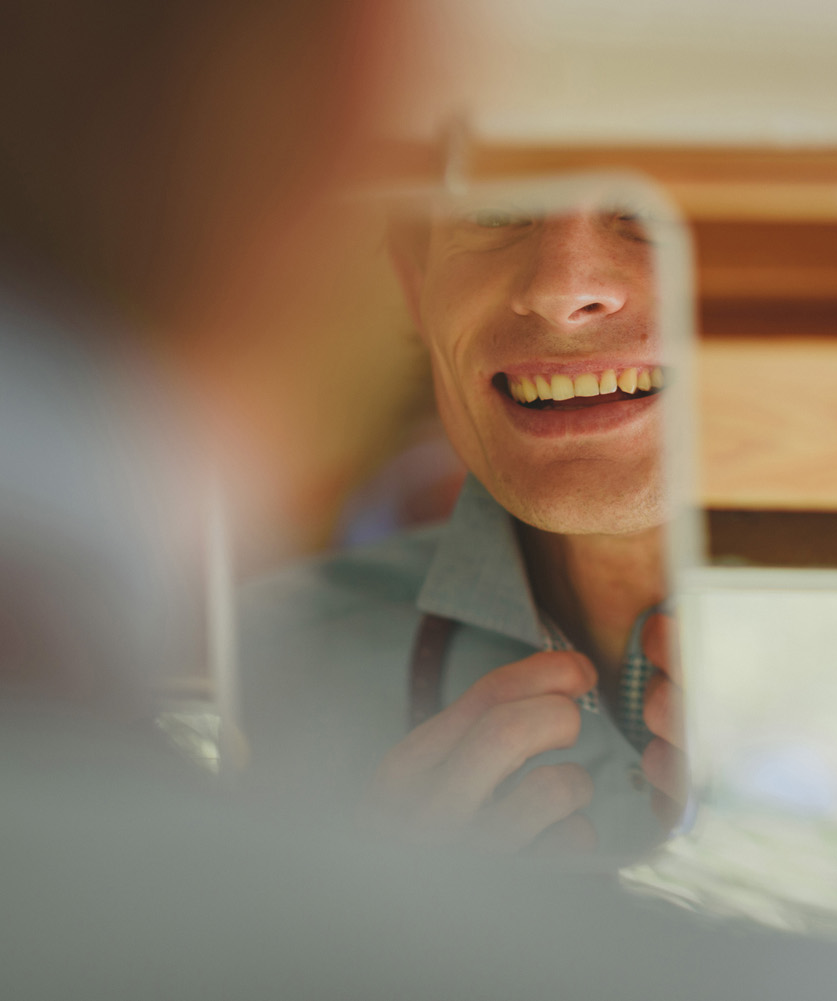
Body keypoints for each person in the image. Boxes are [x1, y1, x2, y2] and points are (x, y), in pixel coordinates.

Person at [239, 192, 685, 856]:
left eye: (648, 203)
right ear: (416, 285)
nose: (561, 288)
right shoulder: (254, 667)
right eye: (496, 204)